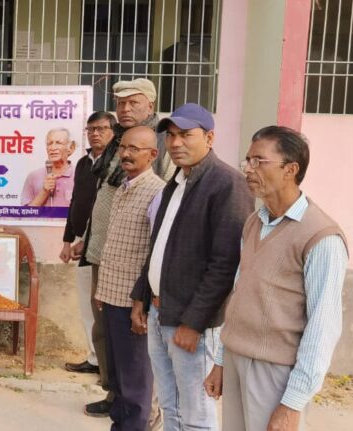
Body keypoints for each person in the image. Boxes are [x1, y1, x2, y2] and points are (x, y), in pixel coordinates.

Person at [203, 126, 348, 431]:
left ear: (290, 170)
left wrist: (292, 403)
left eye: (258, 161)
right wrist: (221, 360)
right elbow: (240, 293)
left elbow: (323, 326)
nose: (248, 169)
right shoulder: (255, 222)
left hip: (275, 370)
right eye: (247, 161)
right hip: (237, 357)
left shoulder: (321, 236)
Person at [130, 103, 254, 431]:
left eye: (186, 135)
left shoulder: (227, 184)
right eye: (171, 136)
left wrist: (193, 323)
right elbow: (158, 245)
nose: (175, 143)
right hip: (160, 313)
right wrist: (142, 296)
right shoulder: (176, 182)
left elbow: (225, 265)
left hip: (190, 324)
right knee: (171, 408)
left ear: (209, 138)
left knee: (196, 415)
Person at [93, 127, 165, 431]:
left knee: (136, 384)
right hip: (113, 296)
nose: (126, 154)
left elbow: (156, 252)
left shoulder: (157, 192)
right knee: (119, 381)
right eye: (123, 147)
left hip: (135, 303)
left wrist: (142, 302)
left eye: (135, 149)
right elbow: (117, 244)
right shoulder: (123, 187)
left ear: (153, 155)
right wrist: (102, 290)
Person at [61, 111, 117, 376]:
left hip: (103, 243)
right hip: (81, 240)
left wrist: (88, 239)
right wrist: (68, 240)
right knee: (86, 302)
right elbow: (76, 201)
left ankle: (108, 364)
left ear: (113, 132)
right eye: (91, 129)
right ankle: (95, 358)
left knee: (102, 305)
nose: (95, 133)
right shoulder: (84, 163)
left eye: (102, 128)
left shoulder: (115, 164)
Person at [20, 128, 76, 207]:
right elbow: (26, 213)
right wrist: (44, 191)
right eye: (49, 143)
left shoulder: (80, 175)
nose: (52, 148)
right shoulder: (33, 176)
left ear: (71, 148)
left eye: (58, 143)